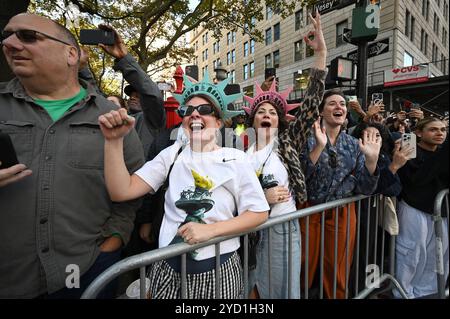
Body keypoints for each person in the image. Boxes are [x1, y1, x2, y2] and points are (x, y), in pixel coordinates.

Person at [0, 13, 144, 298]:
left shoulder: (113, 118)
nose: (11, 44)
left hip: (85, 271)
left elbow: (134, 191)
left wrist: (113, 241)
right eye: (6, 36)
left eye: (28, 36)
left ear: (71, 54)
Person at [98, 74, 270, 299]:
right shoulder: (172, 154)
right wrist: (113, 142)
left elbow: (259, 213)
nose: (195, 114)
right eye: (187, 111)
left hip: (218, 273)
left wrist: (210, 231)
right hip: (166, 269)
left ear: (218, 123)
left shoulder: (236, 159)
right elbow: (121, 191)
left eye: (205, 110)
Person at [243, 12, 327, 299]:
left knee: (282, 290)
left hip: (282, 229)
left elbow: (312, 102)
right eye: (261, 112)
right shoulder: (239, 153)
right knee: (250, 290)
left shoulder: (288, 142)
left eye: (272, 113)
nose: (266, 115)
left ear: (279, 121)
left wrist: (321, 54)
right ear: (253, 120)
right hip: (249, 233)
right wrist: (261, 200)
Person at [300, 88, 381, 299]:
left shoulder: (355, 145)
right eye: (332, 103)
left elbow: (365, 188)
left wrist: (372, 162)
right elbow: (300, 180)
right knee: (303, 264)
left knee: (338, 266)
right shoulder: (306, 139)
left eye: (343, 104)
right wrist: (319, 147)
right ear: (321, 111)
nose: (339, 107)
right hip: (308, 211)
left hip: (342, 212)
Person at [394, 117, 448, 298]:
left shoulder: (443, 153)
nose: (440, 133)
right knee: (411, 254)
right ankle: (403, 292)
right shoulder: (408, 151)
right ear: (419, 132)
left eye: (443, 129)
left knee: (437, 255)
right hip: (413, 209)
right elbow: (418, 180)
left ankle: (427, 291)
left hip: (440, 212)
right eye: (433, 129)